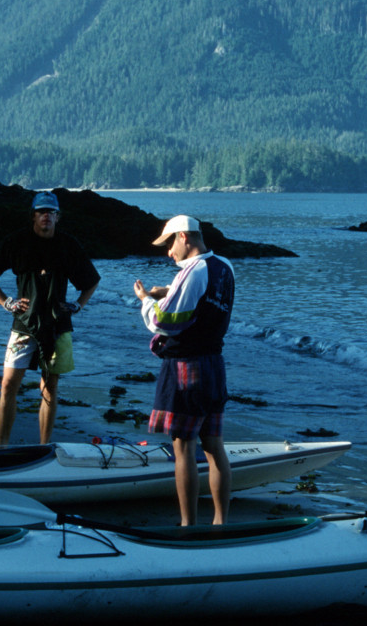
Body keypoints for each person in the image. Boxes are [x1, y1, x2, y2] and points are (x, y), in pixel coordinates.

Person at [133, 215, 235, 526]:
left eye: (169, 244)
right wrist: (169, 290)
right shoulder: (225, 266)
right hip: (214, 363)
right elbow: (204, 303)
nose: (168, 252)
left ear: (183, 237)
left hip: (185, 366)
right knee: (214, 444)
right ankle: (221, 523)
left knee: (183, 447)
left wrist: (146, 301)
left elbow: (165, 322)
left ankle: (187, 525)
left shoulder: (193, 271)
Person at [0, 190, 99, 447]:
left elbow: (92, 281)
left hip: (57, 326)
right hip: (23, 325)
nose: (46, 216)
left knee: (49, 388)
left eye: (51, 212)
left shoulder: (68, 245)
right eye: (41, 211)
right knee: (8, 386)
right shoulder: (17, 241)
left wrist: (77, 305)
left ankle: (44, 447)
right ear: (33, 215)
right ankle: (2, 446)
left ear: (58, 217)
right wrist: (6, 302)